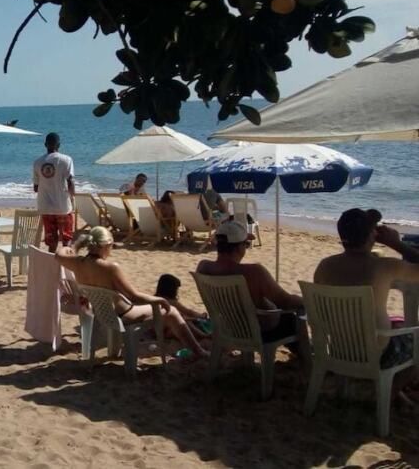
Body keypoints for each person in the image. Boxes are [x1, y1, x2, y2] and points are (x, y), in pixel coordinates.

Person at [314, 209, 419, 404]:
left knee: (397, 326)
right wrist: (396, 244)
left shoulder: (324, 266)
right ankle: (386, 396)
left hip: (339, 348)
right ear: (372, 235)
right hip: (378, 353)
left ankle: (384, 389)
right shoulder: (384, 266)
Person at [56, 226, 208, 357]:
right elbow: (134, 296)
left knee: (165, 304)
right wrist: (160, 300)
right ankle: (198, 351)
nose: (111, 249)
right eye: (111, 245)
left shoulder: (77, 263)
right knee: (172, 311)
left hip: (101, 313)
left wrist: (73, 248)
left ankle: (199, 340)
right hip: (123, 315)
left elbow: (58, 254)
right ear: (106, 245)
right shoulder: (110, 268)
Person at [196, 221, 303, 351]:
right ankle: (305, 355)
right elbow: (285, 302)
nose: (246, 248)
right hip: (259, 332)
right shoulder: (254, 272)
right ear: (238, 248)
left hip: (228, 328)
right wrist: (305, 301)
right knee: (292, 319)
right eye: (246, 244)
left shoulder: (203, 267)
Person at [33, 132, 75, 253]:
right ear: (59, 145)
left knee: (51, 241)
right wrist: (72, 196)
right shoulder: (66, 160)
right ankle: (67, 262)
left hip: (45, 207)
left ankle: (51, 262)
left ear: (45, 144)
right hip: (62, 207)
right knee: (67, 239)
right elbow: (70, 182)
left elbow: (36, 188)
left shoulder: (37, 162)